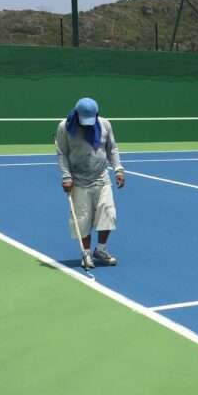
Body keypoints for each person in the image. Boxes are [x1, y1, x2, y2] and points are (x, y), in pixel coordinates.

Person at [55, 97, 125, 269]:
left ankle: (100, 250)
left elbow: (112, 148)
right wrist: (66, 177)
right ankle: (85, 253)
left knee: (108, 214)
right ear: (77, 114)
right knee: (82, 220)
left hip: (102, 178)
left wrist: (118, 169)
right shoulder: (65, 127)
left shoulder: (105, 124)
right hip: (78, 181)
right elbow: (62, 153)